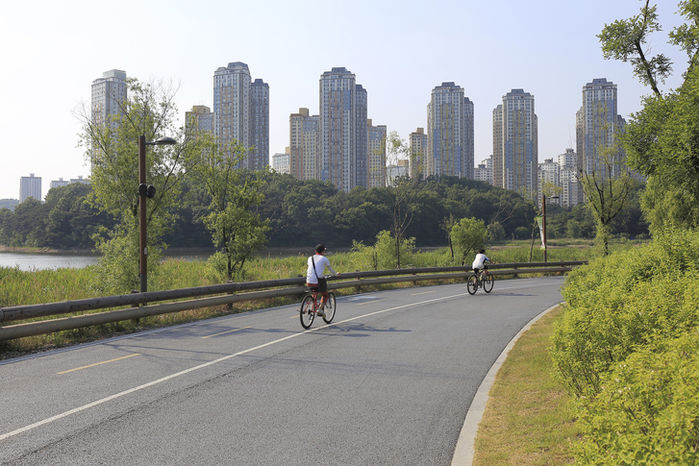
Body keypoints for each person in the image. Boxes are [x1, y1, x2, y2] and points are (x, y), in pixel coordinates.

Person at [306, 243, 338, 316]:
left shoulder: (310, 258)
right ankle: (320, 309)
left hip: (308, 281)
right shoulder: (324, 259)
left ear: (315, 251)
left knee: (314, 293)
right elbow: (331, 270)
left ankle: (313, 307)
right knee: (325, 295)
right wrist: (336, 274)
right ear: (323, 251)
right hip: (317, 282)